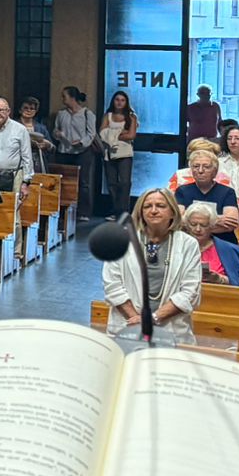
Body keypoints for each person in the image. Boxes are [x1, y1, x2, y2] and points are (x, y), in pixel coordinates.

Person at [102, 188, 200, 344]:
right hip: (127, 327)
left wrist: (153, 319)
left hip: (172, 332)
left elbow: (190, 292)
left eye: (160, 206)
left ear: (173, 212)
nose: (153, 211)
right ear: (141, 212)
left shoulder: (188, 244)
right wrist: (137, 321)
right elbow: (112, 286)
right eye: (147, 206)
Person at [167, 140, 239, 237]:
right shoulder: (182, 191)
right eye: (196, 166)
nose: (201, 170)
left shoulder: (227, 192)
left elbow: (231, 223)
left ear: (215, 171)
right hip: (189, 239)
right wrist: (216, 220)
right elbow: (177, 220)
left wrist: (191, 221)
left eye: (206, 167)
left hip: (221, 240)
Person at [54, 87, 97, 217]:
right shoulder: (61, 114)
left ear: (72, 98)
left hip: (82, 152)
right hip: (64, 151)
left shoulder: (87, 114)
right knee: (64, 182)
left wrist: (81, 142)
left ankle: (83, 212)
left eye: (64, 96)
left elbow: (91, 134)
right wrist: (57, 134)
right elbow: (55, 130)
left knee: (83, 182)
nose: (62, 99)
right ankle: (63, 211)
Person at [0, 94, 34, 201]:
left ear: (8, 111)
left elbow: (27, 157)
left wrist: (25, 183)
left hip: (14, 177)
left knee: (12, 208)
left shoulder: (20, 129)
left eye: (0, 110)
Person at [98, 91, 138, 218]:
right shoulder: (108, 116)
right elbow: (102, 133)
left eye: (122, 100)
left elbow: (131, 135)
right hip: (109, 153)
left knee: (124, 183)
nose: (119, 102)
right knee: (111, 183)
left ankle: (124, 211)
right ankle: (116, 210)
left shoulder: (131, 117)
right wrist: (120, 134)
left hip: (125, 153)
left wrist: (112, 134)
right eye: (117, 99)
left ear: (126, 102)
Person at [182, 202, 239, 285]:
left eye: (203, 225)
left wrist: (220, 279)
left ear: (212, 226)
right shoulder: (178, 246)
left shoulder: (230, 250)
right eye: (193, 224)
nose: (198, 229)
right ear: (187, 225)